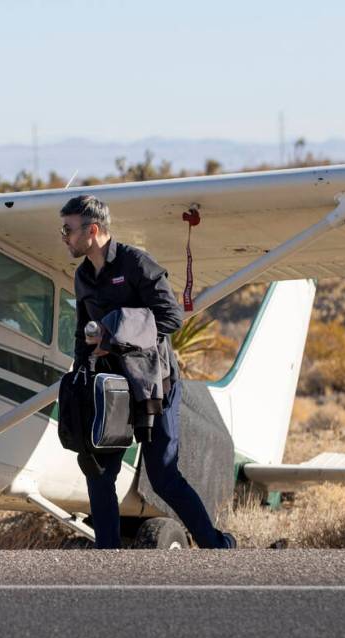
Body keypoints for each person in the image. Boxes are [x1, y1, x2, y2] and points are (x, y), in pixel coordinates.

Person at [60, 194, 236, 550]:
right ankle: (108, 556)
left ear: (92, 230)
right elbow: (83, 334)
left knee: (163, 475)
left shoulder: (137, 263)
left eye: (68, 229)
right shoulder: (82, 276)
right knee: (98, 470)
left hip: (156, 387)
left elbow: (170, 317)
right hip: (111, 391)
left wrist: (116, 328)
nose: (63, 236)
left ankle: (216, 546)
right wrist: (81, 373)